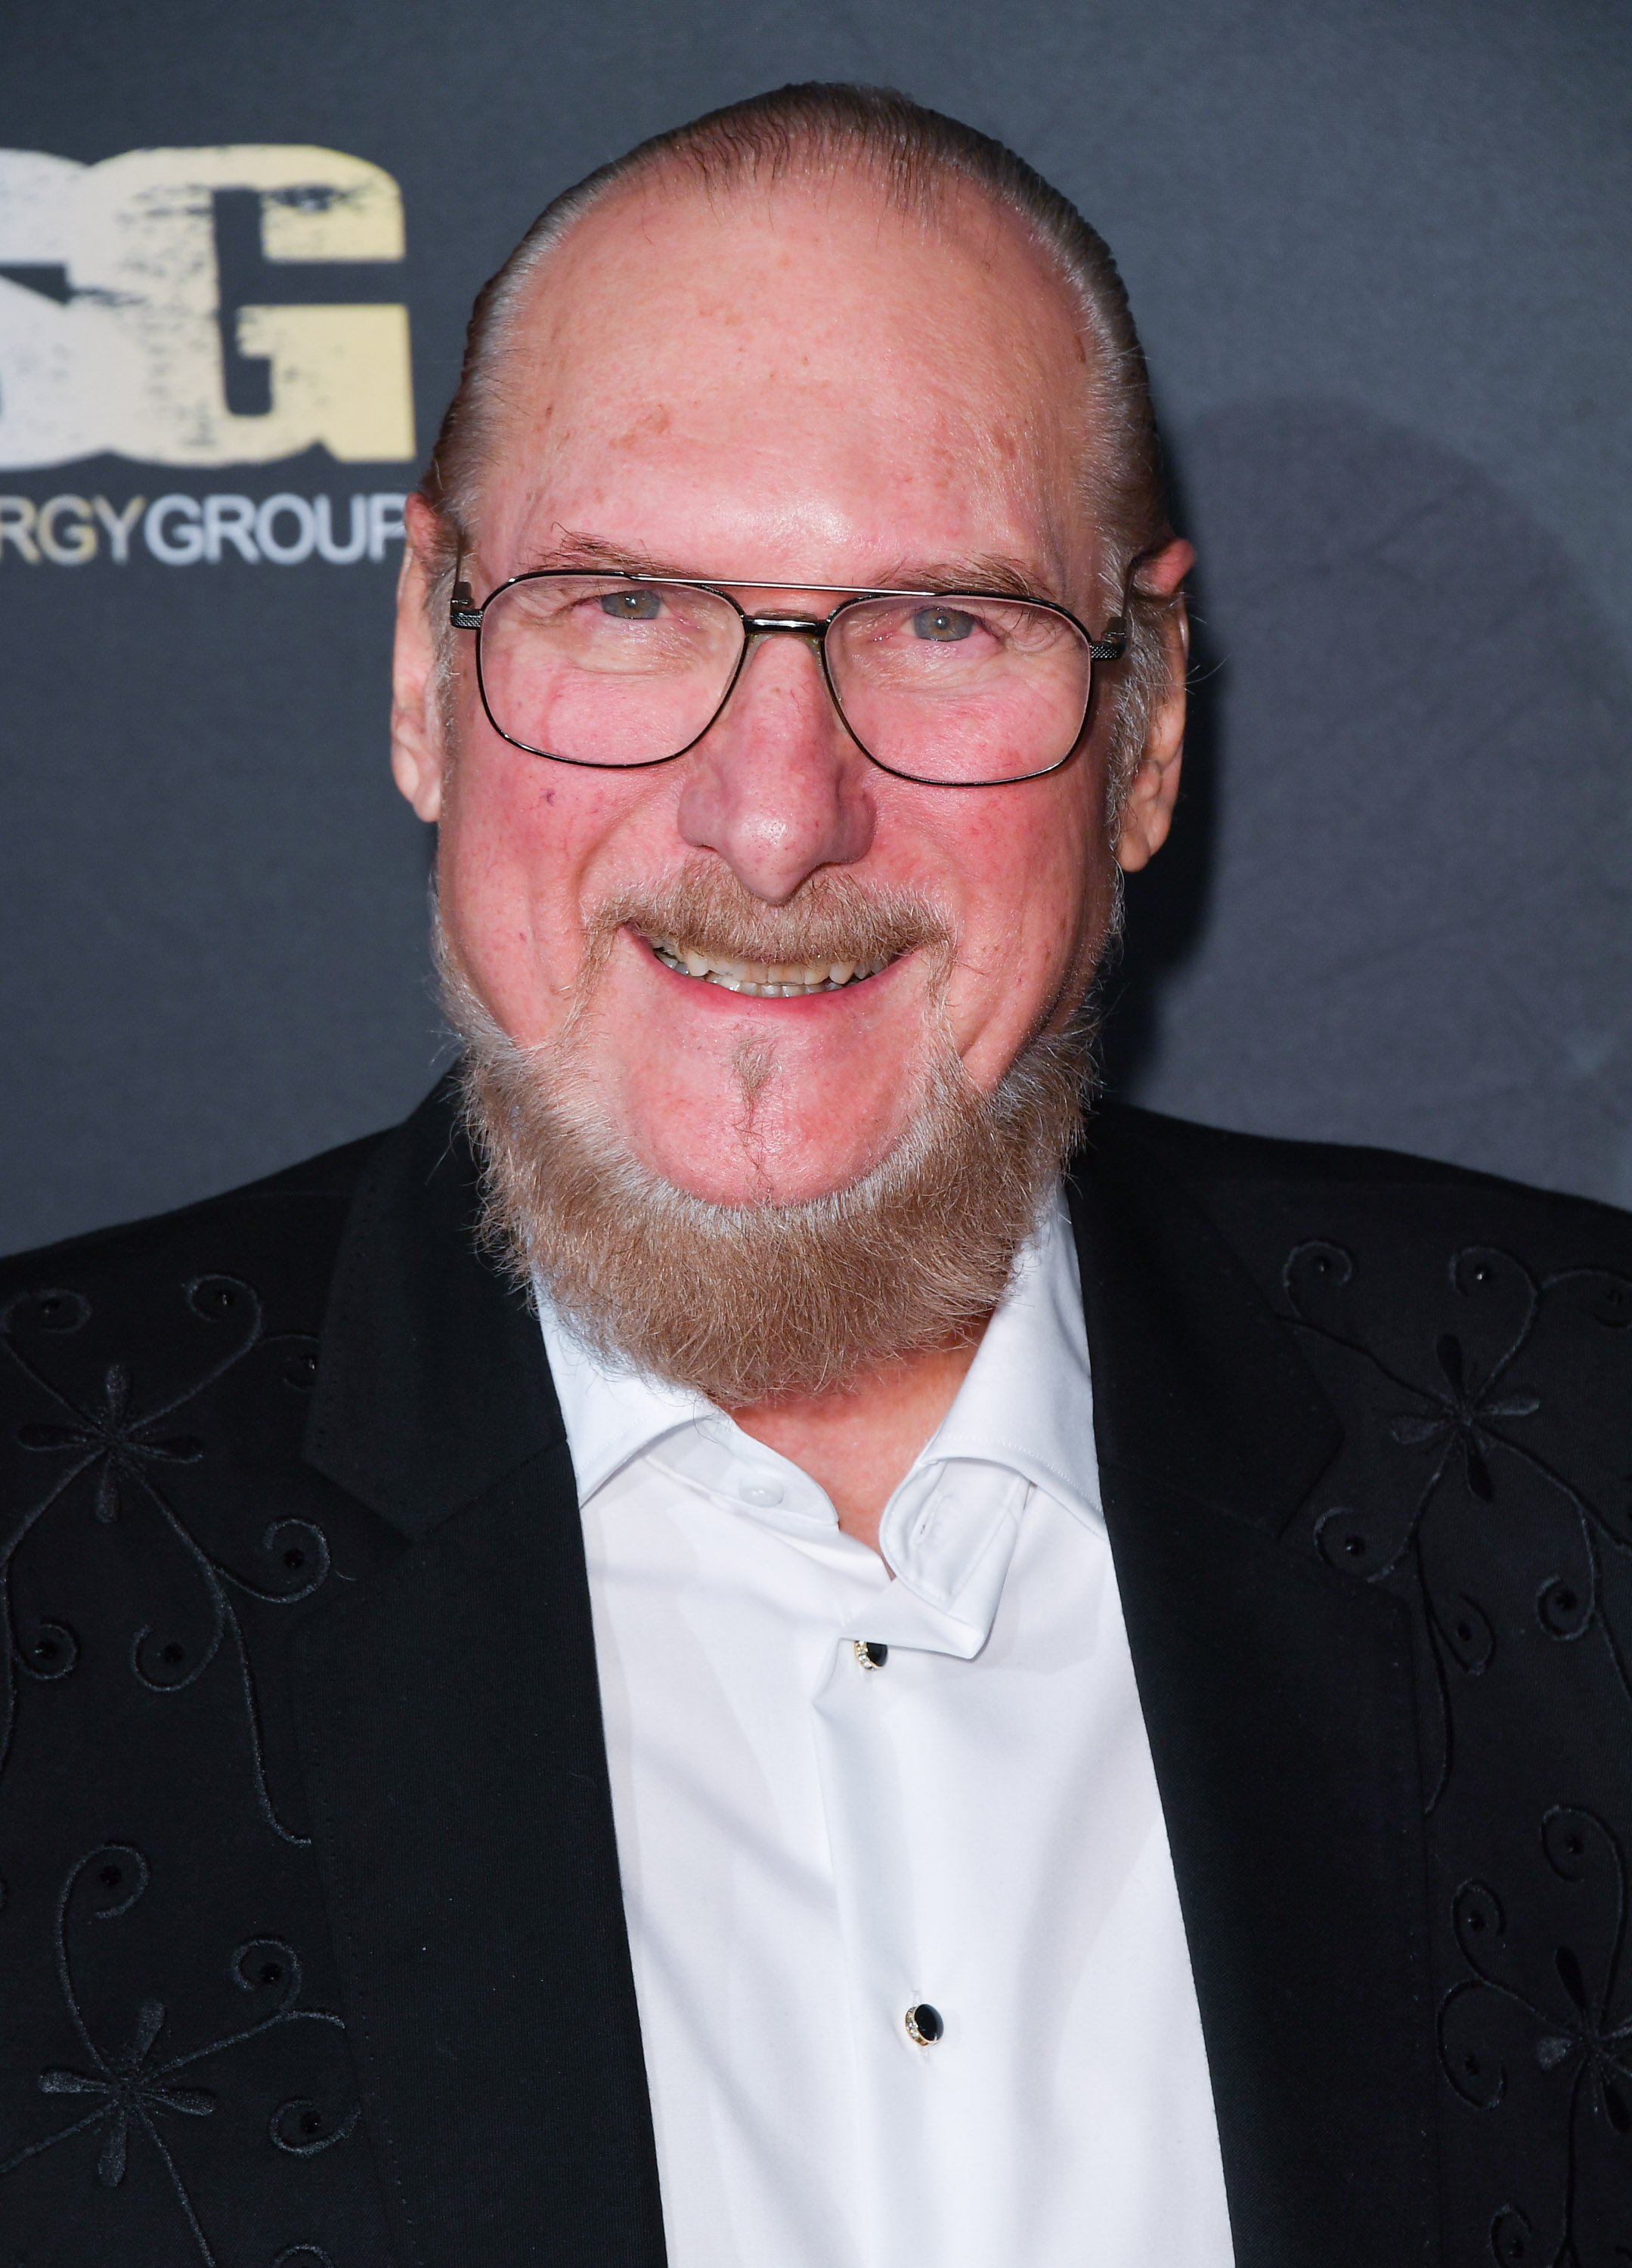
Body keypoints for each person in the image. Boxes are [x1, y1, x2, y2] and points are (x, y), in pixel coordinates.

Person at [0, 82, 1627, 2268]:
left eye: (943, 625)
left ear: (1143, 732)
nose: (776, 822)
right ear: (423, 663)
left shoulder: (1588, 1453)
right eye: (628, 604)